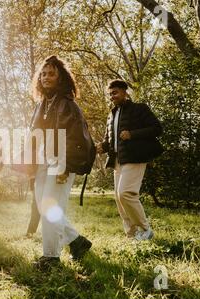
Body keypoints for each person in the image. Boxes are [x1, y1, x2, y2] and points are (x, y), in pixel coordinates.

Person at [28, 55, 95, 270]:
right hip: (42, 161)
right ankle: (77, 242)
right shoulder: (42, 105)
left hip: (61, 162)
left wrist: (66, 166)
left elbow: (77, 139)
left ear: (61, 78)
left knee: (50, 206)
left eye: (51, 74)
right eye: (43, 74)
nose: (46, 77)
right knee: (43, 205)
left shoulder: (68, 105)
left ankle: (51, 258)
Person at [96, 79, 163, 241]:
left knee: (126, 193)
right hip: (118, 160)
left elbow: (157, 128)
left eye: (115, 92)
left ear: (125, 92)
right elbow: (109, 140)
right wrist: (102, 147)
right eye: (110, 94)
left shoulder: (139, 109)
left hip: (135, 156)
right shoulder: (111, 114)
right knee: (119, 198)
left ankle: (145, 230)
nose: (112, 96)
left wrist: (132, 134)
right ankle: (132, 234)